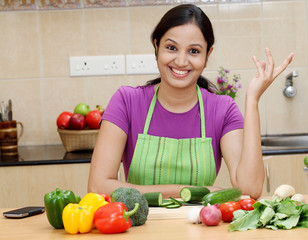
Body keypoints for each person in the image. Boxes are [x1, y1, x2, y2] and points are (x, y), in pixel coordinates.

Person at [88, 4, 294, 199]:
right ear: (156, 46)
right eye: (171, 48)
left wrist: (252, 100)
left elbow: (250, 188)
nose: (181, 61)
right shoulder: (126, 102)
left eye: (194, 51)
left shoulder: (222, 110)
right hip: (138, 226)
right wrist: (194, 191)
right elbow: (98, 186)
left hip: (202, 227)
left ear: (208, 54)